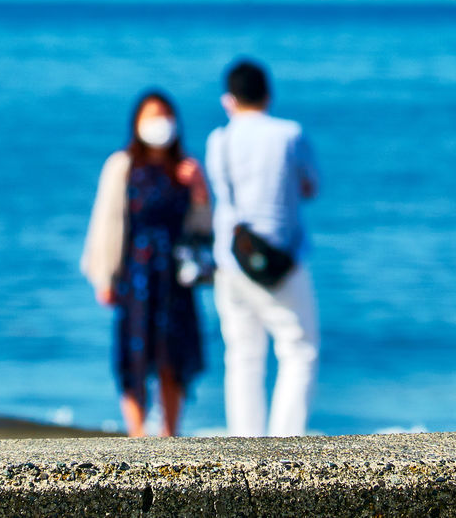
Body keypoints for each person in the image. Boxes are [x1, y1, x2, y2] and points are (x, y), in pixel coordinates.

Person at [81, 90, 209, 436]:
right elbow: (106, 223)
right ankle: (137, 436)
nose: (159, 124)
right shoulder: (122, 165)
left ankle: (170, 432)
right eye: (151, 117)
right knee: (134, 357)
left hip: (174, 277)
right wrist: (103, 276)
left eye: (165, 116)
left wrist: (199, 190)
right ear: (137, 123)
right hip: (135, 273)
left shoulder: (185, 168)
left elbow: (202, 229)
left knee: (174, 355)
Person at [205, 59, 320, 437]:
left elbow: (221, 194)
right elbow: (310, 187)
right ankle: (286, 446)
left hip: (232, 258)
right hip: (281, 257)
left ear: (229, 100)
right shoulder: (289, 134)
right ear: (268, 95)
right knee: (298, 349)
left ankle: (245, 448)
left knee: (242, 356)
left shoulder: (218, 140)